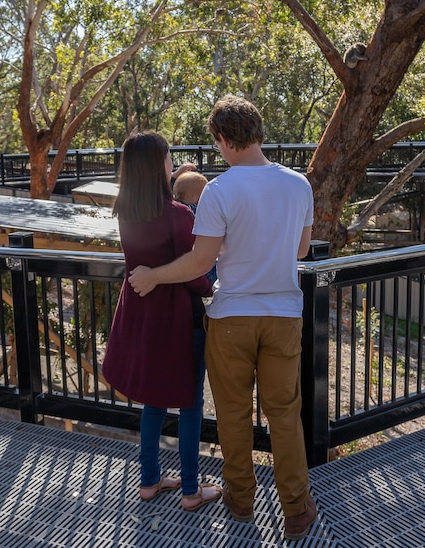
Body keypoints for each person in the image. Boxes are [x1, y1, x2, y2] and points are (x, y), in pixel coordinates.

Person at [127, 95, 318, 541]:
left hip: (231, 316)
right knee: (285, 415)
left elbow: (199, 263)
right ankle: (295, 509)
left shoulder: (219, 191)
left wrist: (154, 276)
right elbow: (302, 251)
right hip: (284, 314)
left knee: (232, 415)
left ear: (222, 140)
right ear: (257, 132)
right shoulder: (299, 186)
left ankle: (241, 500)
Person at [101, 132, 222, 512]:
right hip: (178, 319)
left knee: (153, 401)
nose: (173, 162)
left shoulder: (126, 212)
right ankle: (190, 489)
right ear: (159, 164)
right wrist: (211, 287)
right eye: (169, 157)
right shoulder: (178, 215)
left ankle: (150, 480)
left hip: (143, 316)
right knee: (189, 402)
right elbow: (195, 271)